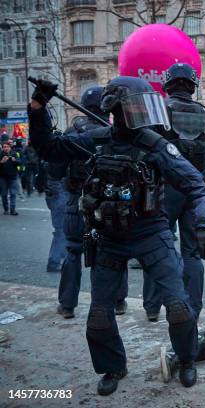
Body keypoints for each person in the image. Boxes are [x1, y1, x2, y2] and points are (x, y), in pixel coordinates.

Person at [28, 76, 205, 394]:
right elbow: (48, 148)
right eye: (136, 106)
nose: (144, 114)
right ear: (116, 108)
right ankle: (113, 367)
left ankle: (187, 360)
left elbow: (196, 185)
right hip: (110, 237)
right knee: (100, 314)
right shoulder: (96, 141)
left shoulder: (155, 146)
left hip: (151, 232)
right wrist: (37, 108)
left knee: (179, 307)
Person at [141, 63, 205, 322]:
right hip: (195, 192)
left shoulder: (158, 111)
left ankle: (153, 307)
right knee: (192, 253)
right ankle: (192, 310)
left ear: (168, 84)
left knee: (156, 247)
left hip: (162, 191)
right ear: (192, 86)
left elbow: (143, 154)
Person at [57, 86, 128, 319]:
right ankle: (117, 302)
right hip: (106, 202)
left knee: (73, 251)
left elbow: (54, 169)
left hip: (75, 200)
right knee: (113, 250)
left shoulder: (71, 133)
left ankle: (68, 305)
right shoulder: (113, 133)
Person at [43, 157, 68, 273]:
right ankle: (55, 261)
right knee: (62, 231)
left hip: (53, 195)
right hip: (60, 195)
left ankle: (61, 257)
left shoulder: (48, 159)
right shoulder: (61, 162)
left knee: (61, 230)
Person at [0, 142, 21, 215]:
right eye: (4, 147)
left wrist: (15, 161)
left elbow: (20, 162)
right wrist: (1, 162)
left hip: (13, 177)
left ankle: (12, 210)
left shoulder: (14, 154)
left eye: (7, 147)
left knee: (13, 194)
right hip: (3, 178)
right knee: (4, 194)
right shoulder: (0, 154)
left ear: (10, 147)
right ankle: (6, 209)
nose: (5, 148)